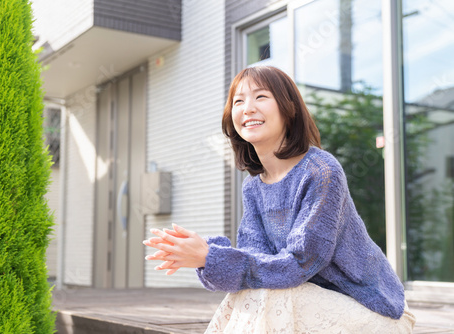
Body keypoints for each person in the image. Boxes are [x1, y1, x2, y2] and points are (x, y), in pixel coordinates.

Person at [143, 66, 416, 333]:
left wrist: (211, 258)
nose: (248, 108)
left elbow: (300, 264)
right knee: (255, 291)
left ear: (289, 108)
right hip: (302, 307)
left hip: (372, 310)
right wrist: (204, 255)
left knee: (268, 294)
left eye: (261, 97)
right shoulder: (253, 187)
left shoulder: (320, 170)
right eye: (238, 101)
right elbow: (256, 263)